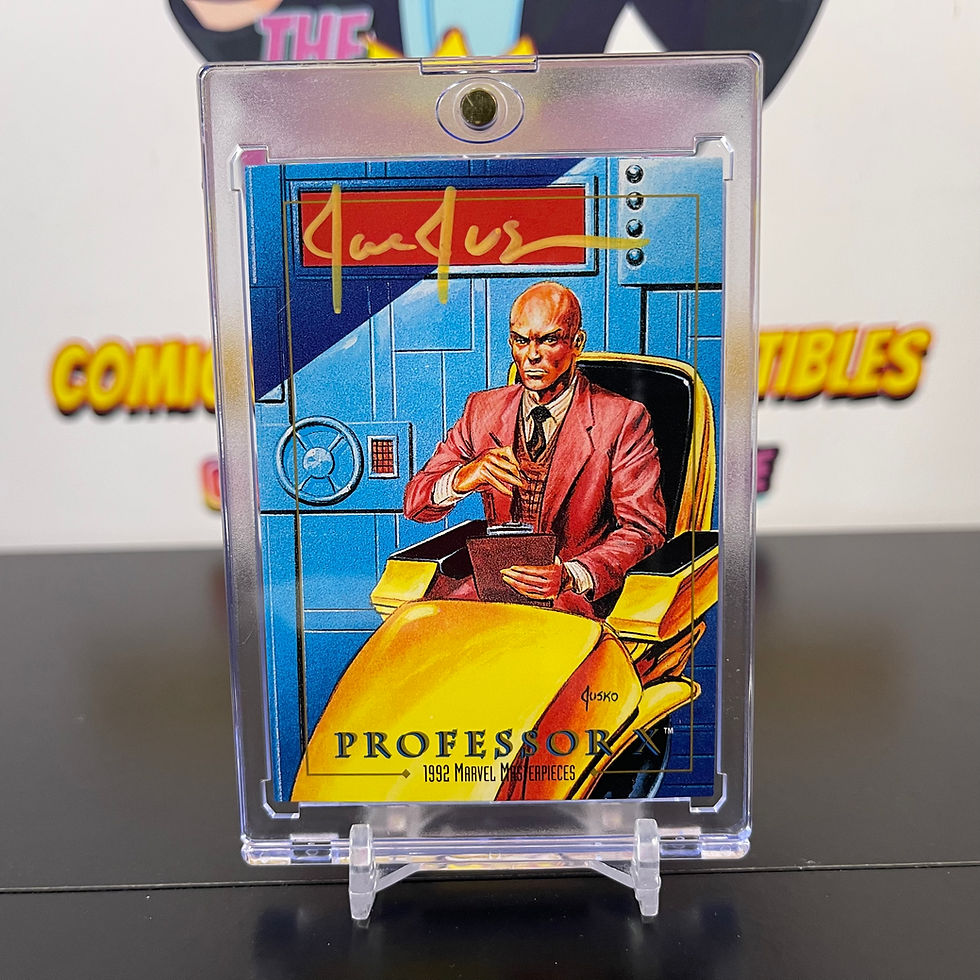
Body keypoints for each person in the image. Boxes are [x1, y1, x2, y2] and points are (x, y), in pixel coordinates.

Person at [403, 281, 667, 617]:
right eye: (521, 340)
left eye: (549, 340)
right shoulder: (482, 410)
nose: (532, 355)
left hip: (574, 600)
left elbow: (644, 529)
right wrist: (461, 478)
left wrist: (573, 575)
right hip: (491, 590)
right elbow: (415, 504)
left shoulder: (622, 419)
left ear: (577, 343)